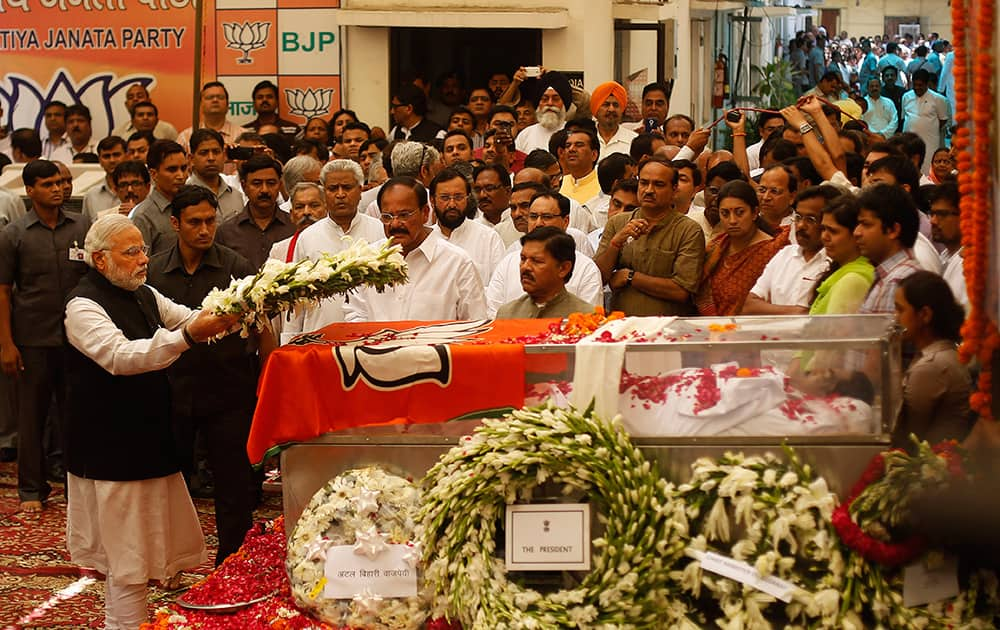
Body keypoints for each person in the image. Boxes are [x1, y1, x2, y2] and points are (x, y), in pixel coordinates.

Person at [63, 214, 238, 629]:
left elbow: (188, 316)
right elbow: (122, 357)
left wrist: (239, 306)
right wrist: (190, 337)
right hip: (109, 450)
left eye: (143, 249)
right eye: (132, 252)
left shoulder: (143, 292)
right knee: (127, 562)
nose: (144, 259)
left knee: (141, 556)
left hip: (148, 441)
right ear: (101, 260)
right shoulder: (82, 305)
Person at [146, 185, 258, 565]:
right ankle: (168, 559)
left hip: (228, 389)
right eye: (195, 222)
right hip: (169, 389)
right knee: (165, 481)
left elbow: (260, 327)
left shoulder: (236, 267)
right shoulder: (155, 271)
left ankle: (233, 562)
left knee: (234, 484)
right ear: (175, 223)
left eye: (211, 221)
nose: (204, 229)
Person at [0, 160, 90, 513]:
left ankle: (76, 490)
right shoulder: (14, 234)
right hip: (31, 339)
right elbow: (3, 292)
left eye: (60, 182)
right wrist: (6, 344)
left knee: (76, 416)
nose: (58, 188)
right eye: (49, 184)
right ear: (30, 190)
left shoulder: (82, 226)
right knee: (32, 417)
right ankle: (31, 491)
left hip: (76, 339)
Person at [344, 176, 487, 322]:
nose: (394, 224)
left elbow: (476, 323)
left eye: (404, 215)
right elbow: (355, 315)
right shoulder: (367, 261)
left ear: (425, 213)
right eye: (387, 217)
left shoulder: (456, 262)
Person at [284, 160, 385, 335]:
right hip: (318, 335)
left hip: (370, 336)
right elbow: (296, 298)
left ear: (360, 190)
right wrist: (289, 341)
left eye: (347, 187)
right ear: (324, 193)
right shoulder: (308, 237)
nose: (340, 194)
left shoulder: (380, 230)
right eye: (333, 189)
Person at [596, 157, 705, 316]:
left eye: (658, 184)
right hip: (620, 327)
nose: (649, 190)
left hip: (668, 329)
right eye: (644, 183)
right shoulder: (617, 223)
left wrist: (631, 277)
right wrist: (616, 243)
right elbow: (598, 278)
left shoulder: (689, 230)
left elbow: (681, 291)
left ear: (674, 189)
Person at [486, 191, 603, 317]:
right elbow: (492, 313)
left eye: (546, 217)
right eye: (533, 216)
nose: (538, 223)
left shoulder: (586, 269)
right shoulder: (508, 264)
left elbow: (588, 328)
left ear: (565, 221)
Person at [891, 271, 973, 447]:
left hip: (931, 467)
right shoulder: (940, 353)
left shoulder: (931, 367)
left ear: (925, 315)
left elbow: (909, 437)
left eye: (900, 310)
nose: (895, 318)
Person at [695, 180, 786, 315]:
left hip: (753, 331)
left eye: (739, 212)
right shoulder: (715, 247)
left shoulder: (771, 252)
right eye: (725, 213)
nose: (732, 220)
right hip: (711, 328)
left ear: (755, 212)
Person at [743, 185, 838, 315]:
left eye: (810, 219)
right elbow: (749, 306)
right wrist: (796, 312)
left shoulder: (836, 261)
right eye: (798, 217)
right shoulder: (785, 255)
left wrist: (769, 309)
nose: (800, 225)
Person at [496, 226, 594, 319]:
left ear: (563, 268)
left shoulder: (587, 317)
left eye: (536, 261)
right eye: (523, 259)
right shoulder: (507, 314)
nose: (525, 267)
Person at [854, 184, 922, 314]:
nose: (857, 232)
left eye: (866, 224)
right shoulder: (887, 275)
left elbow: (886, 335)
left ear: (893, 230)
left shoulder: (898, 281)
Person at [429, 168, 505, 285]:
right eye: (445, 198)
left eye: (458, 197)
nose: (452, 204)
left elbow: (499, 288)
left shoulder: (489, 238)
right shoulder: (425, 240)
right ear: (432, 200)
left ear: (467, 198)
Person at [809, 194, 875, 316]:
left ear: (856, 234)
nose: (824, 237)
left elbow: (835, 333)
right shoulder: (841, 270)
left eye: (833, 231)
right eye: (823, 229)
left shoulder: (853, 280)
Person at [132, 140, 190, 257]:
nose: (180, 176)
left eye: (183, 168)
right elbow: (140, 263)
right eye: (172, 170)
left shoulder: (192, 205)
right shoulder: (143, 216)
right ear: (153, 174)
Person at [186, 128, 245, 222]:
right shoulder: (184, 197)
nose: (211, 158)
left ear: (224, 156)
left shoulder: (236, 196)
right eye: (204, 153)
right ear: (191, 159)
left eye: (216, 152)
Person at [927, 182, 968, 312]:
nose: (933, 221)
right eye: (932, 213)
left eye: (942, 214)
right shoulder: (945, 255)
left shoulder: (968, 265)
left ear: (966, 216)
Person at [901, 69, 950, 173]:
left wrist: (928, 128)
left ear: (927, 84)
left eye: (920, 85)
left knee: (928, 168)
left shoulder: (939, 99)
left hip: (930, 141)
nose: (917, 88)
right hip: (910, 141)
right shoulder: (906, 97)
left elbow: (943, 120)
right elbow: (904, 117)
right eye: (915, 85)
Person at [176, 82, 249, 149]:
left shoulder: (242, 135)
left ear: (228, 105)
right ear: (201, 105)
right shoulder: (186, 137)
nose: (215, 100)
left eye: (220, 97)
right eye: (209, 97)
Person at [269, 181, 328, 262]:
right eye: (299, 207)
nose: (306, 212)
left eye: (314, 206)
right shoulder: (279, 251)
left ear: (326, 211)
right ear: (291, 215)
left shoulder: (339, 242)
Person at [515, 71, 572, 154]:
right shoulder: (525, 135)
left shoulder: (573, 134)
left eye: (555, 99)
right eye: (545, 99)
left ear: (564, 103)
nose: (549, 103)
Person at [81, 136, 127, 220]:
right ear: (100, 160)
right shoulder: (91, 195)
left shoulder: (142, 190)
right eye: (106, 156)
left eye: (116, 155)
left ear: (127, 156)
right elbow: (88, 229)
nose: (112, 160)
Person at [113, 83, 179, 140]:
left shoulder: (167, 130)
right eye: (131, 97)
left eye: (140, 96)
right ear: (126, 104)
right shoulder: (118, 133)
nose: (135, 99)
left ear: (149, 101)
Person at [590, 81, 636, 161]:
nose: (611, 109)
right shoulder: (585, 138)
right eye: (606, 105)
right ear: (596, 109)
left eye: (616, 105)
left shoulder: (633, 140)